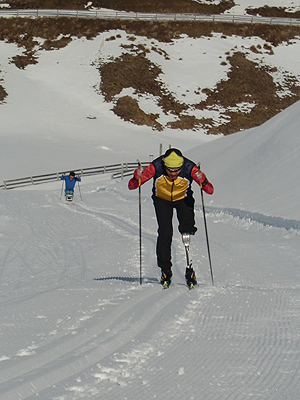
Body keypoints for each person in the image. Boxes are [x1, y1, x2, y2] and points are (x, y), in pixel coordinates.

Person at [128, 148, 214, 288]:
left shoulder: (189, 168)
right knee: (165, 232)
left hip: (183, 198)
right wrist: (136, 178)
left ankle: (189, 266)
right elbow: (133, 186)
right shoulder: (155, 166)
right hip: (162, 200)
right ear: (164, 165)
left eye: (177, 170)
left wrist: (202, 180)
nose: (173, 173)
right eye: (170, 170)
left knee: (187, 227)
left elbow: (210, 190)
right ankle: (165, 270)